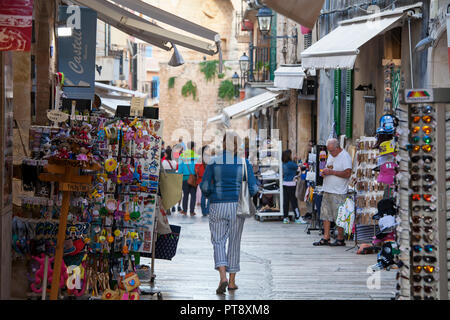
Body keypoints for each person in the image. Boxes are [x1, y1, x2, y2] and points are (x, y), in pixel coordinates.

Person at [200, 132, 258, 294]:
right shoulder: (244, 162)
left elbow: (204, 186)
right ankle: (232, 282)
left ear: (224, 144)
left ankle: (222, 277)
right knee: (234, 242)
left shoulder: (213, 162)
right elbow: (253, 188)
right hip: (237, 207)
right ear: (237, 145)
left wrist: (211, 194)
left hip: (217, 205)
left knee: (218, 241)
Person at [313, 138, 353, 247]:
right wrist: (325, 173)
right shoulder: (331, 155)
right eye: (329, 150)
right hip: (327, 189)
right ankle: (326, 237)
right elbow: (329, 168)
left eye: (332, 150)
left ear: (338, 147)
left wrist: (331, 172)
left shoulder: (345, 156)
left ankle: (340, 238)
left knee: (339, 216)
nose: (330, 153)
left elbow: (347, 173)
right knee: (326, 215)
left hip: (338, 191)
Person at [282, 150, 306, 224]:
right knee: (294, 202)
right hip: (291, 184)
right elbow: (301, 167)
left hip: (285, 184)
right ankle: (297, 217)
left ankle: (285, 217)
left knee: (286, 202)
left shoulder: (284, 163)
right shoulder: (291, 164)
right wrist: (299, 160)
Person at [178, 141, 199, 216]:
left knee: (185, 195)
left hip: (184, 178)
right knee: (193, 195)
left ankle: (184, 210)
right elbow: (198, 168)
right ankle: (192, 211)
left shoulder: (182, 156)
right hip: (193, 178)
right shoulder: (197, 156)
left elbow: (180, 169)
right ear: (193, 147)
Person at [161, 147, 178, 215]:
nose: (164, 153)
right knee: (170, 194)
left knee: (165, 194)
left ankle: (166, 208)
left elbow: (162, 171)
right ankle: (170, 207)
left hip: (165, 180)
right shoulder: (174, 162)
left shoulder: (164, 162)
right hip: (172, 180)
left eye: (165, 153)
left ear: (167, 154)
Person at [195, 145, 210, 217]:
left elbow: (196, 170)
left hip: (201, 180)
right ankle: (207, 210)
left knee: (203, 196)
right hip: (207, 179)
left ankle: (204, 212)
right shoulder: (208, 158)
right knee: (209, 196)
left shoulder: (199, 159)